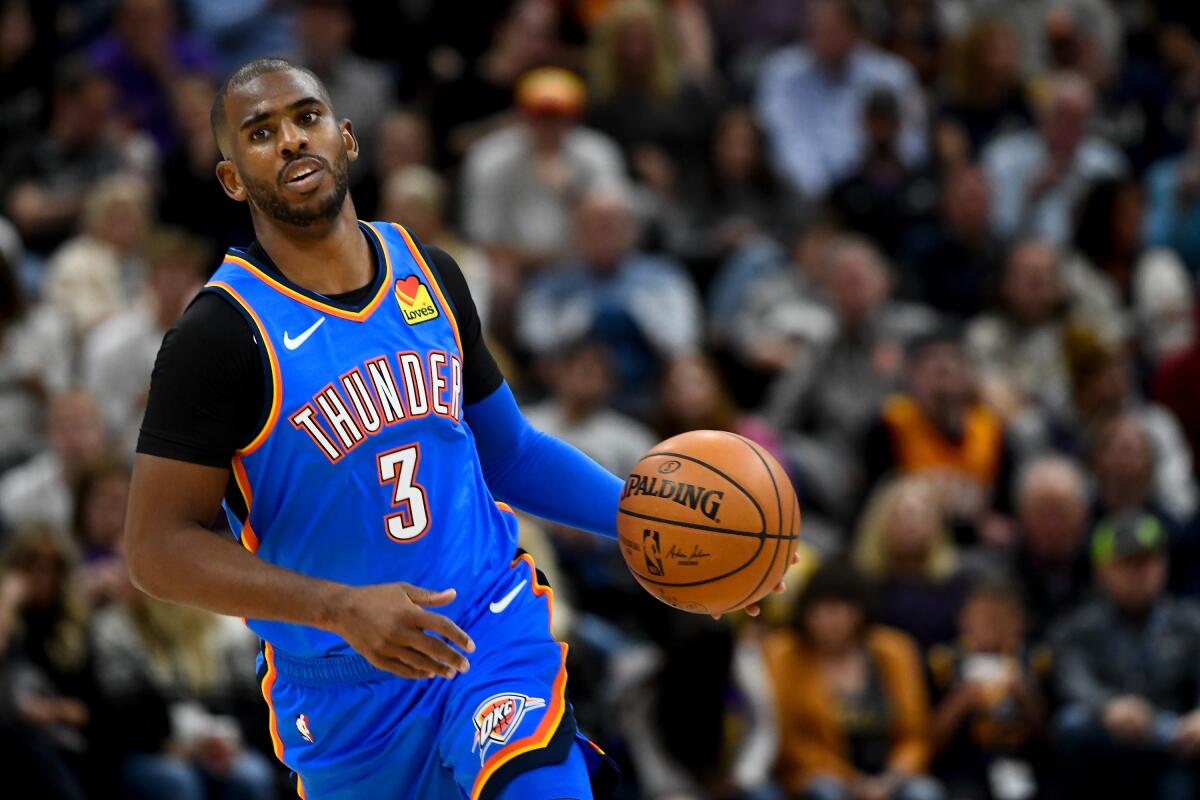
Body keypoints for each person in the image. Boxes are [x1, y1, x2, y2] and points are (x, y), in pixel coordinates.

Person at [125, 58, 789, 799]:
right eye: (260, 133)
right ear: (232, 179)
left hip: (487, 626)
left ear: (346, 138)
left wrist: (644, 523)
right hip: (345, 691)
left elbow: (508, 453)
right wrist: (334, 607)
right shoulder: (219, 336)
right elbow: (155, 549)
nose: (289, 140)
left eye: (306, 117)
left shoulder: (428, 272)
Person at [763, 561, 944, 800]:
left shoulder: (895, 651)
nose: (832, 619)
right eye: (822, 608)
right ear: (805, 610)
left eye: (843, 609)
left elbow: (915, 736)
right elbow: (789, 742)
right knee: (827, 792)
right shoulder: (783, 654)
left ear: (861, 611)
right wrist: (851, 780)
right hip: (818, 775)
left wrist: (891, 779)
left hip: (888, 775)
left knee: (924, 792)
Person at [1051, 511, 1200, 800]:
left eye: (1148, 562)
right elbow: (1071, 678)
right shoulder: (1077, 627)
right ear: (1102, 570)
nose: (1139, 573)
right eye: (1127, 564)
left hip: (1177, 749)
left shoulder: (1191, 622)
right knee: (1071, 724)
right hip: (1109, 744)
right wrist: (1108, 705)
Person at [755, 0, 927, 199]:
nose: (822, 38)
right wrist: (819, 191)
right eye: (815, 30)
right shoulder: (782, 73)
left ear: (856, 31)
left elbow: (911, 144)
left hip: (875, 192)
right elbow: (783, 141)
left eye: (832, 30)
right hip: (803, 194)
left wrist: (859, 185)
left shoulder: (892, 75)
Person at [927, 580, 1050, 800]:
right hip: (963, 768)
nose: (990, 627)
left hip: (1022, 763)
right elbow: (928, 741)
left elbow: (1050, 736)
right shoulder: (943, 662)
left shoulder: (1035, 661)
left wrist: (1025, 696)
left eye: (999, 619)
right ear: (964, 619)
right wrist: (960, 701)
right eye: (982, 618)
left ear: (1020, 622)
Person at [852, 476, 973, 650]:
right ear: (880, 524)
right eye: (901, 516)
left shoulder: (958, 587)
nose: (911, 525)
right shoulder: (861, 585)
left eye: (919, 515)